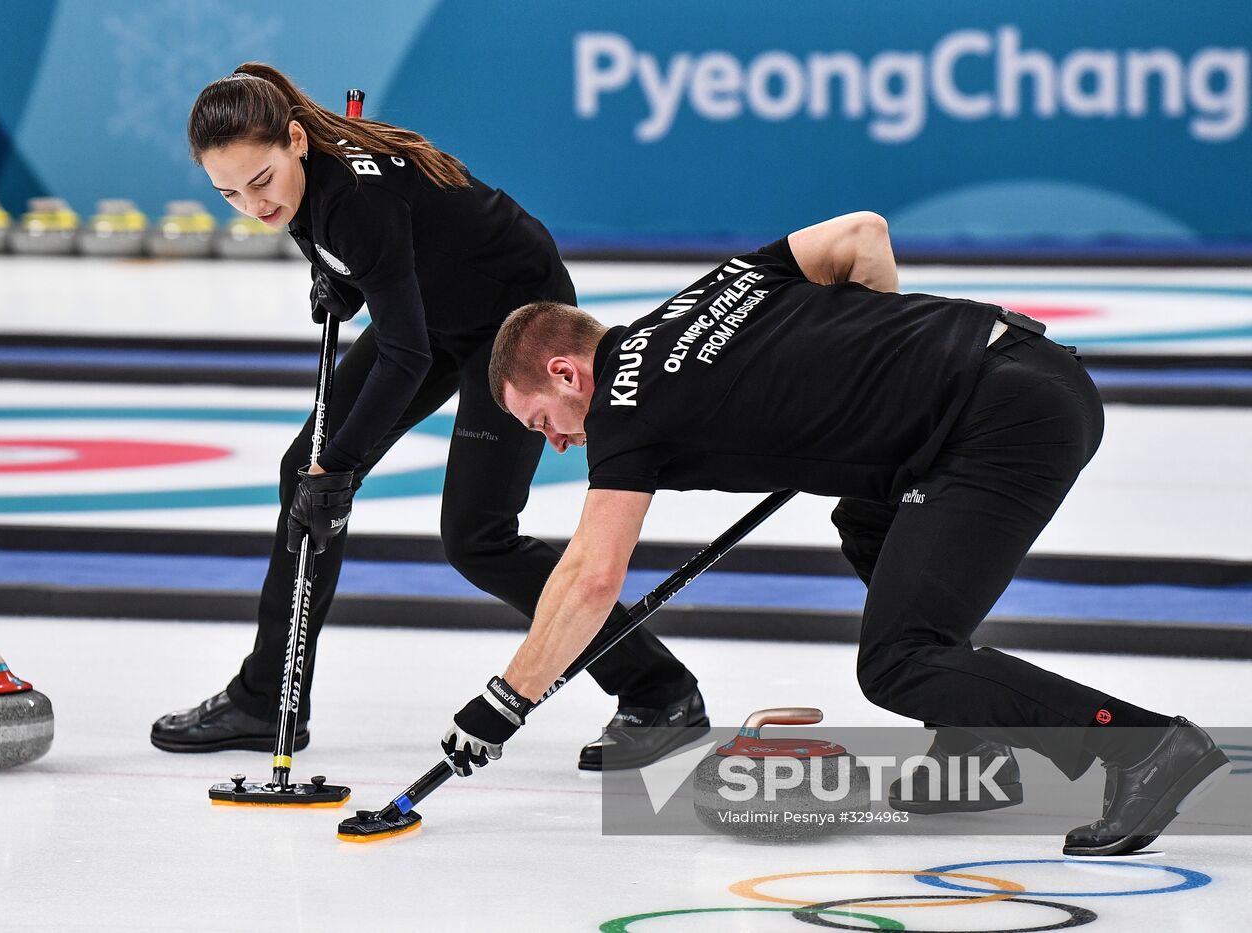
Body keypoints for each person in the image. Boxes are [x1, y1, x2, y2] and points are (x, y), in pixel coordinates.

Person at [439, 211, 1230, 856]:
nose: (556, 441)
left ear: (568, 375)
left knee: (896, 661)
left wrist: (504, 703)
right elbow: (864, 235)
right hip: (1025, 368)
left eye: (542, 421)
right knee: (864, 513)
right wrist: (876, 359)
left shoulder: (624, 409)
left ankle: (1140, 745)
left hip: (1003, 422)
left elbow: (591, 578)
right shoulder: (706, 292)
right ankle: (972, 743)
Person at [151, 62, 707, 771]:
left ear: (295, 140)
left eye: (261, 181)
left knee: (476, 536)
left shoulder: (350, 194)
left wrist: (343, 466)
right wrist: (342, 281)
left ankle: (662, 693)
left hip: (512, 315)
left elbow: (405, 354)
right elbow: (376, 267)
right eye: (227, 192)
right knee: (304, 476)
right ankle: (268, 697)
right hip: (434, 306)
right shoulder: (300, 180)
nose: (253, 204)